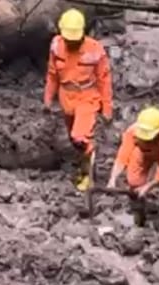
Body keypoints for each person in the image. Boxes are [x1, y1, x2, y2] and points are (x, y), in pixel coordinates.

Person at [45, 8, 113, 191]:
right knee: (74, 139)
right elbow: (52, 74)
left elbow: (104, 80)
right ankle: (85, 162)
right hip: (66, 98)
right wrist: (48, 98)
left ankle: (87, 174)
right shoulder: (56, 46)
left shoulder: (95, 50)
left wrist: (107, 108)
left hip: (87, 98)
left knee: (80, 137)